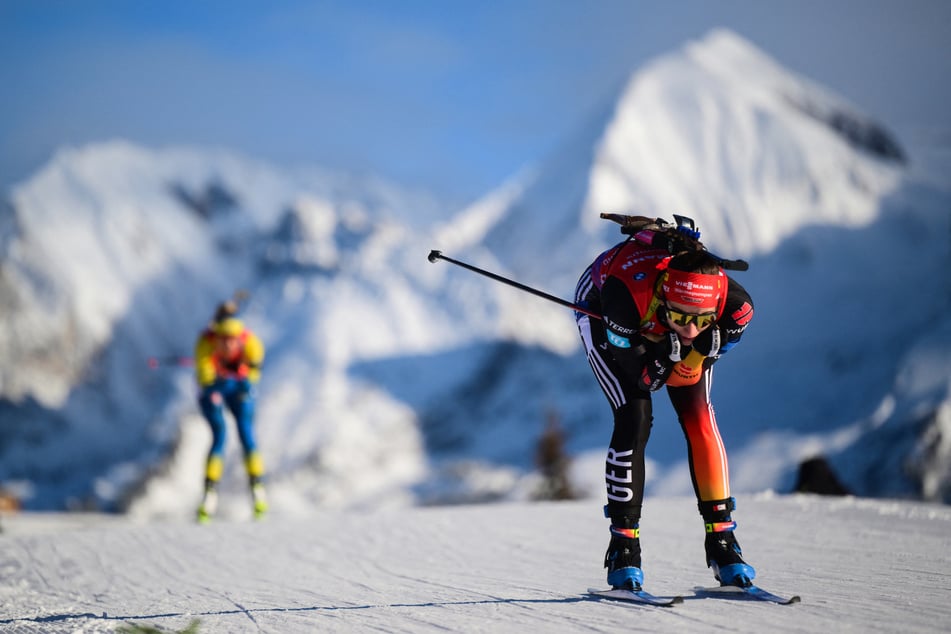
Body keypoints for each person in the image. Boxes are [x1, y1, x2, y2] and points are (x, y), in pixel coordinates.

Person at [573, 215, 757, 590]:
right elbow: (645, 378)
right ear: (664, 298)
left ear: (716, 309)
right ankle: (624, 547)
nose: (690, 330)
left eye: (701, 321)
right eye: (679, 317)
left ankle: (724, 541)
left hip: (656, 318)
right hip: (608, 312)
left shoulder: (736, 308)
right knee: (635, 415)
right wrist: (659, 360)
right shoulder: (623, 298)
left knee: (700, 418)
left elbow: (689, 365)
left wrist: (691, 354)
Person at [194, 302, 268, 523]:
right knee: (231, 436)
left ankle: (213, 496)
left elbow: (253, 373)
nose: (227, 344)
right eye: (223, 339)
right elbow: (207, 379)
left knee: (233, 436)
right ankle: (256, 492)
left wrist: (240, 377)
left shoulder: (210, 342)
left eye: (231, 339)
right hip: (221, 389)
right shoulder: (210, 343)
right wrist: (232, 377)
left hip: (234, 389)